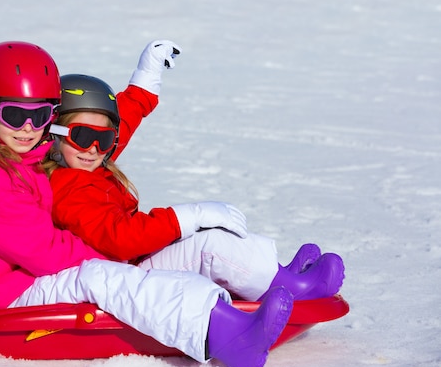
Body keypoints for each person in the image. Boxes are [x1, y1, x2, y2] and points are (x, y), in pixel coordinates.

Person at [0, 40, 297, 367]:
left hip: (29, 272)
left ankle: (280, 282)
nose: (29, 128)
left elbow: (100, 132)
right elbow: (43, 253)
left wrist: (145, 83)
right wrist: (112, 257)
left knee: (134, 265)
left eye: (43, 114)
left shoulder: (31, 151)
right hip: (12, 291)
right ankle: (228, 334)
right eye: (15, 115)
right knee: (99, 278)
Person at [44, 41, 345, 303]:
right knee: (209, 247)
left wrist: (145, 79)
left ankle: (276, 274)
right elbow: (121, 237)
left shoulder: (83, 159)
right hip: (123, 276)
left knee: (210, 234)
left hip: (133, 263)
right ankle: (287, 288)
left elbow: (124, 121)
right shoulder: (67, 187)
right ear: (54, 134)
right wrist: (187, 217)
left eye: (106, 139)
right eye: (82, 136)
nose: (95, 148)